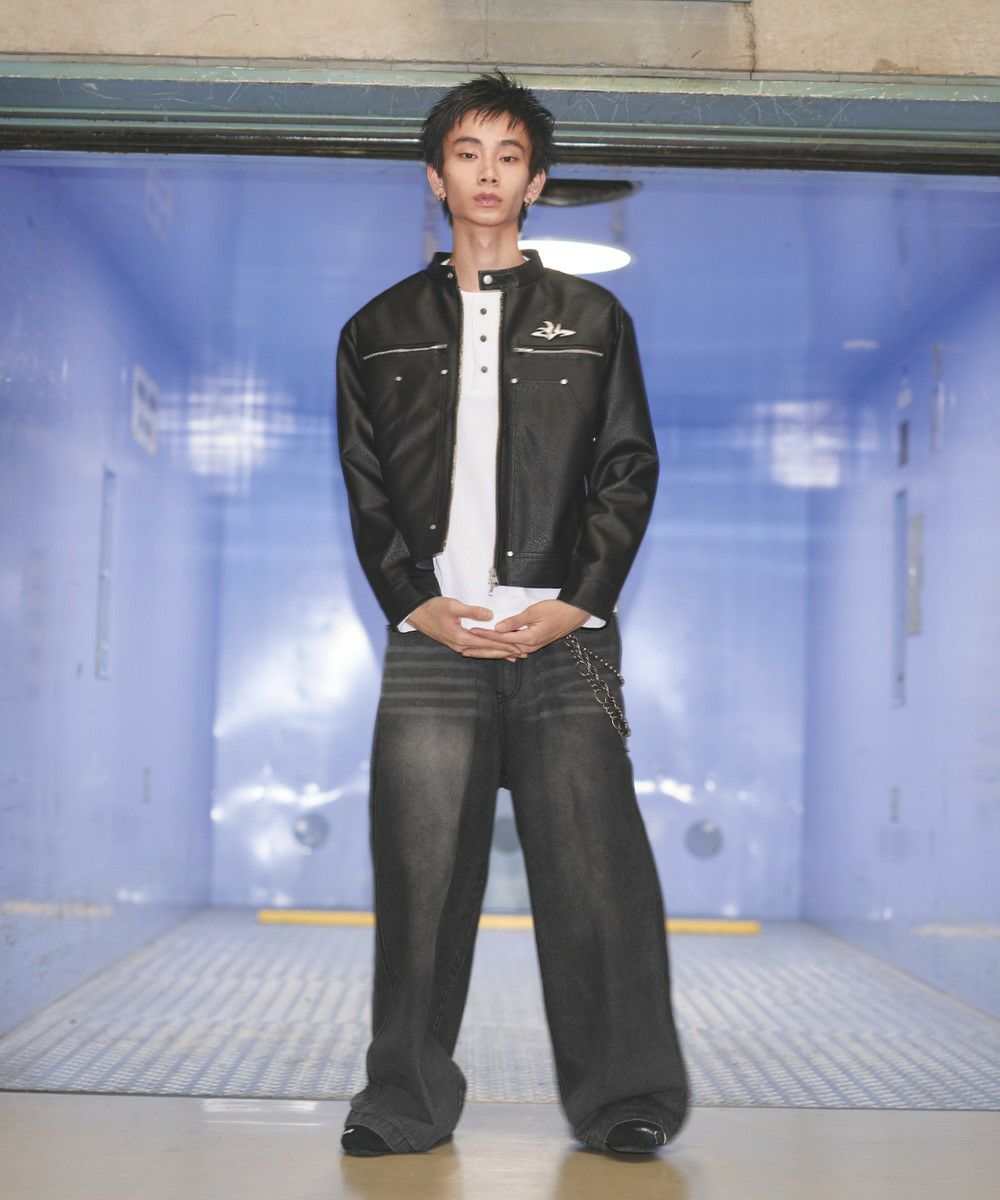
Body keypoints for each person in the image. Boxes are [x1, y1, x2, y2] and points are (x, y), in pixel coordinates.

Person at [335, 67, 690, 1158]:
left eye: (508, 157)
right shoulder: (375, 330)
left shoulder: (594, 319)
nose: (486, 174)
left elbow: (627, 469)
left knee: (595, 874)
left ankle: (625, 1101)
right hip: (434, 640)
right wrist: (415, 603)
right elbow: (365, 488)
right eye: (466, 154)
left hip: (563, 640)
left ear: (533, 182)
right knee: (419, 880)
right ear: (434, 176)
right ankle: (402, 1103)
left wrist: (580, 602)